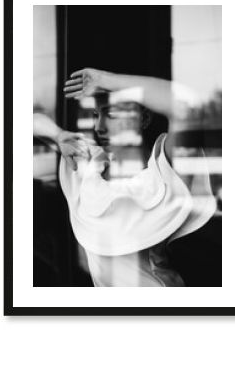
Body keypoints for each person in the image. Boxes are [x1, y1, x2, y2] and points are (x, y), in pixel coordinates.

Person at [59, 68, 216, 287]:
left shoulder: (162, 175)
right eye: (96, 115)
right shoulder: (88, 167)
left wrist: (105, 80)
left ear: (144, 118)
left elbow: (186, 108)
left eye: (112, 114)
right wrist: (57, 136)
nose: (99, 127)